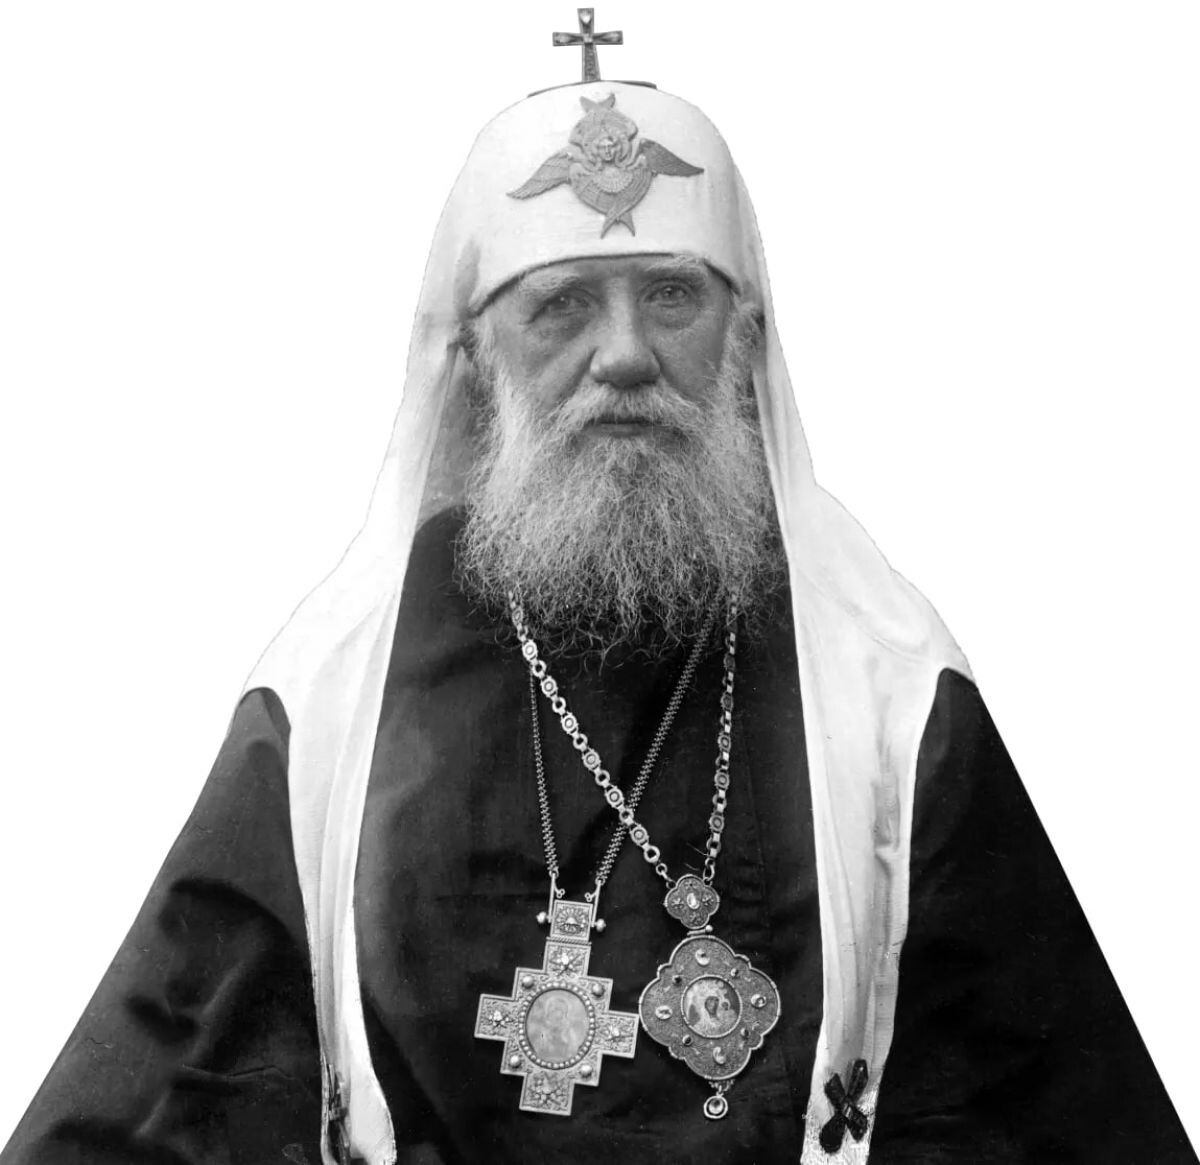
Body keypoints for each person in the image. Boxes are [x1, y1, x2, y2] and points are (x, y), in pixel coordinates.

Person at [3, 22, 1196, 1165]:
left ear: (744, 337)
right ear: (476, 357)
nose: (624, 353)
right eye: (563, 305)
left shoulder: (883, 682)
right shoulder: (336, 696)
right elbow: (182, 1090)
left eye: (672, 297)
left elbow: (1032, 1102)